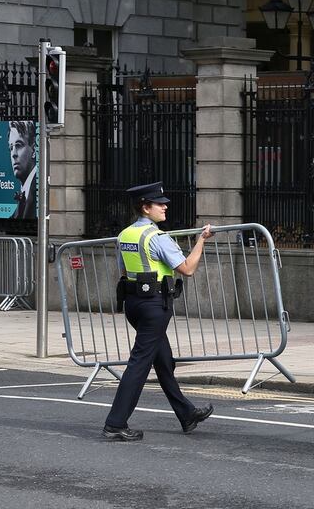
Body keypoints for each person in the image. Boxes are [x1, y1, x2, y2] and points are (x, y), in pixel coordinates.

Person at [102, 181, 215, 441]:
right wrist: (201, 241)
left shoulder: (125, 235)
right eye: (159, 204)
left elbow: (122, 270)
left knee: (163, 362)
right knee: (139, 364)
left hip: (133, 304)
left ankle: (186, 414)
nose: (165, 207)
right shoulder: (157, 237)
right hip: (155, 305)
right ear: (145, 207)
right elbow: (187, 268)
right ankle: (115, 423)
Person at [8, 121, 37, 220]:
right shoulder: (25, 194)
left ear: (33, 150)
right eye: (11, 148)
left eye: (19, 145)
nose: (13, 154)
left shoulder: (39, 190)